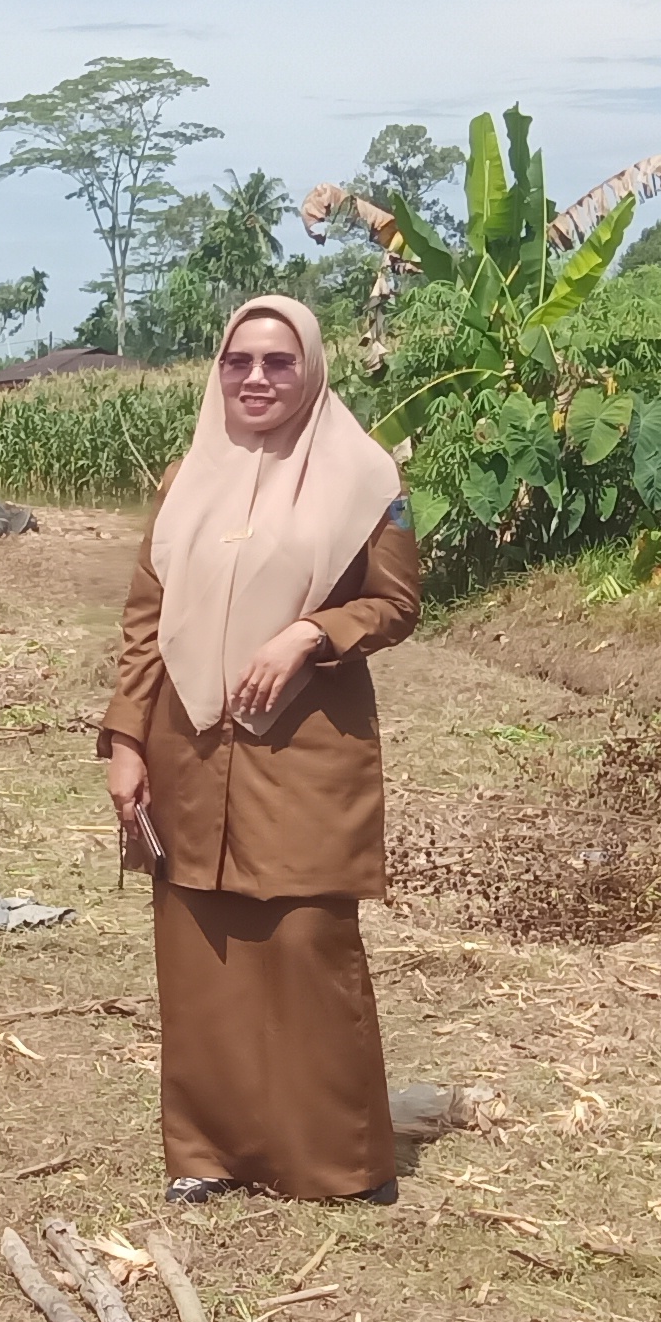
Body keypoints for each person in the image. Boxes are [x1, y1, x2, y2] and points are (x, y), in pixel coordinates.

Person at [100, 295, 423, 1207]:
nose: (257, 378)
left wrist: (309, 636)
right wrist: (127, 741)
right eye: (240, 360)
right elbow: (144, 623)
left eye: (279, 362)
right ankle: (207, 1152)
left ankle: (336, 1163)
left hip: (304, 743)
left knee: (305, 942)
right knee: (199, 951)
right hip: (187, 744)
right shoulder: (186, 478)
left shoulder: (366, 479)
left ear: (312, 369)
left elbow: (395, 605)